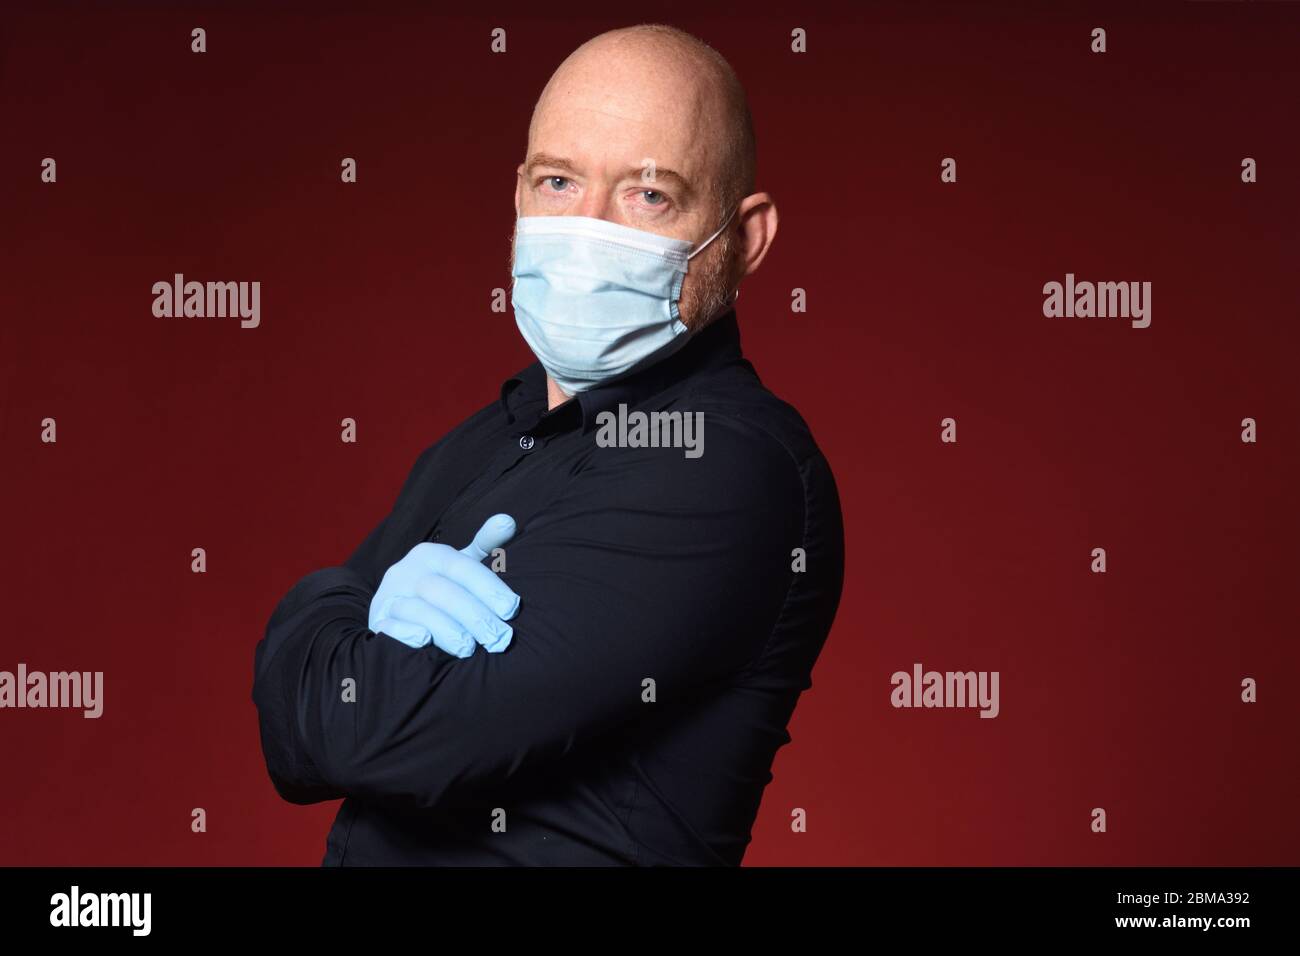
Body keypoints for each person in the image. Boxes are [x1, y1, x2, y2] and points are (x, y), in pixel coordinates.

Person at [252, 22, 844, 866]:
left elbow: (362, 736)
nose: (587, 229)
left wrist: (330, 604)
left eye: (648, 195)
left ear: (745, 238)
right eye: (559, 181)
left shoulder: (728, 467)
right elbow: (288, 741)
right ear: (521, 196)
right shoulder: (488, 436)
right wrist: (346, 616)